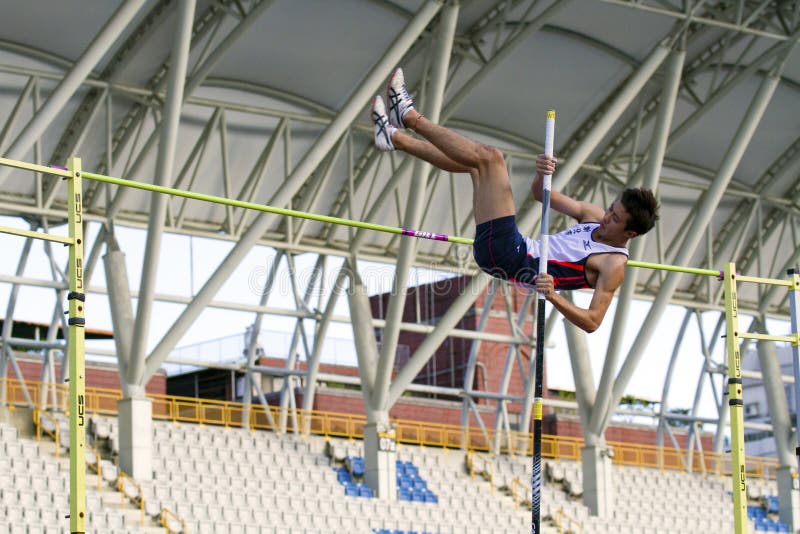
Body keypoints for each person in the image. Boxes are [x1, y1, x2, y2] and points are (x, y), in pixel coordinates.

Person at [370, 68, 659, 333]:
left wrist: (553, 295)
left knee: (491, 158)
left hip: (513, 257)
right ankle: (394, 138)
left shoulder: (613, 265)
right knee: (475, 165)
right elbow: (540, 195)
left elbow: (593, 322)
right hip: (507, 250)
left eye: (616, 219)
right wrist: (542, 175)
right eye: (611, 210)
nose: (607, 217)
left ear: (630, 233)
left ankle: (408, 116)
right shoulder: (593, 215)